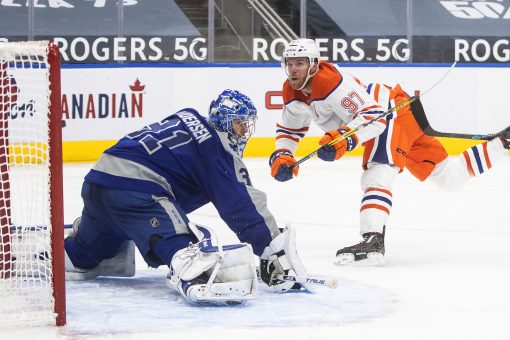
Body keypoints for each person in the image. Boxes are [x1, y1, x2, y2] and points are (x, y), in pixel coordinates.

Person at [269, 39, 510, 266]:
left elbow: (373, 117)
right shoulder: (292, 92)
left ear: (313, 65)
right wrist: (283, 154)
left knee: (378, 171)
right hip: (399, 114)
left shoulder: (330, 82)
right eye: (289, 64)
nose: (293, 70)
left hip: (390, 111)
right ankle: (503, 143)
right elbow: (290, 130)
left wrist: (343, 140)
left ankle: (372, 240)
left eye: (299, 63)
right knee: (450, 178)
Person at [64, 89, 310, 305]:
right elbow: (242, 205)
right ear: (223, 123)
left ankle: (50, 251)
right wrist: (271, 249)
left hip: (98, 182)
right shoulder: (215, 150)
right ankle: (194, 274)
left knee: (84, 256)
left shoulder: (187, 117)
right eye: (239, 124)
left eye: (246, 124)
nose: (244, 131)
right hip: (136, 191)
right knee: (183, 250)